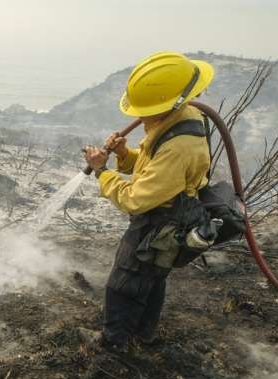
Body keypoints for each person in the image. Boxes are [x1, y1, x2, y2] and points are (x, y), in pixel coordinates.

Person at [80, 51, 214, 354]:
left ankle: (112, 344)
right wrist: (124, 155)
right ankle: (144, 334)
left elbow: (134, 199)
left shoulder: (179, 145)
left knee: (123, 283)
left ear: (170, 103)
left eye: (146, 110)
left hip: (161, 221)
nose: (139, 117)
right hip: (172, 210)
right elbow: (154, 169)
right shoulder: (181, 119)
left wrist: (102, 171)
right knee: (153, 278)